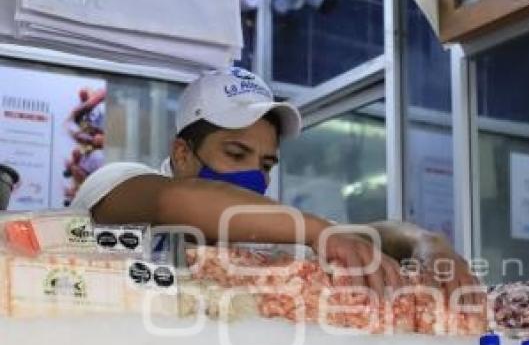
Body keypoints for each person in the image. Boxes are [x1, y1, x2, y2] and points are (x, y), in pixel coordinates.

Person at [70, 67, 477, 300]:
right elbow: (177, 201)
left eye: (265, 163)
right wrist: (319, 232)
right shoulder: (118, 182)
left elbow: (371, 234)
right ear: (181, 154)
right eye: (235, 153)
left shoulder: (261, 235)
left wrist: (426, 242)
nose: (254, 175)